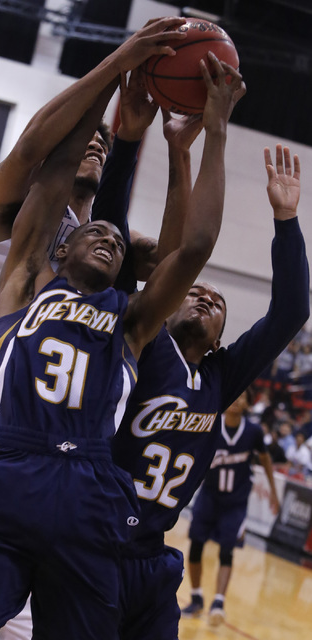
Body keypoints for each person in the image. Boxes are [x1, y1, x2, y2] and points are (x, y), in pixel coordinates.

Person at [0, 39, 243, 640]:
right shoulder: (24, 219)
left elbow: (180, 255)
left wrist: (178, 146)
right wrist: (118, 72)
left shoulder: (105, 248)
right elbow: (42, 148)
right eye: (83, 136)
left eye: (102, 138)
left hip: (76, 455)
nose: (93, 141)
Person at [111, 143, 309, 640]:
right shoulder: (143, 344)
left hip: (152, 556)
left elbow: (291, 311)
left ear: (221, 337)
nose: (204, 296)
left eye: (217, 301)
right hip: (94, 541)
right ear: (165, 305)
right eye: (193, 292)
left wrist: (286, 220)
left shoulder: (222, 376)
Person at [183, 388, 280, 627]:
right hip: (208, 497)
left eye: (242, 397)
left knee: (227, 550)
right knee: (195, 545)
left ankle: (218, 602)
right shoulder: (213, 424)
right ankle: (196, 597)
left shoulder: (254, 432)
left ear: (248, 404)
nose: (237, 400)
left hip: (235, 503)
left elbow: (266, 460)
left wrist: (274, 494)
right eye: (234, 395)